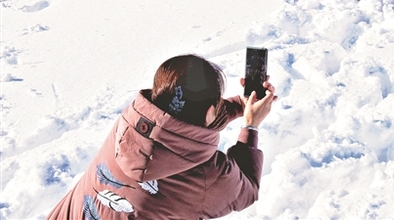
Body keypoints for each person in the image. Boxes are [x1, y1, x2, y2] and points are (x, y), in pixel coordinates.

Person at [46, 54, 278, 218]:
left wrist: (241, 105)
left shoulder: (132, 124)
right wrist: (251, 126)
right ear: (210, 110)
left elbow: (175, 124)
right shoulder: (208, 174)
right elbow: (247, 190)